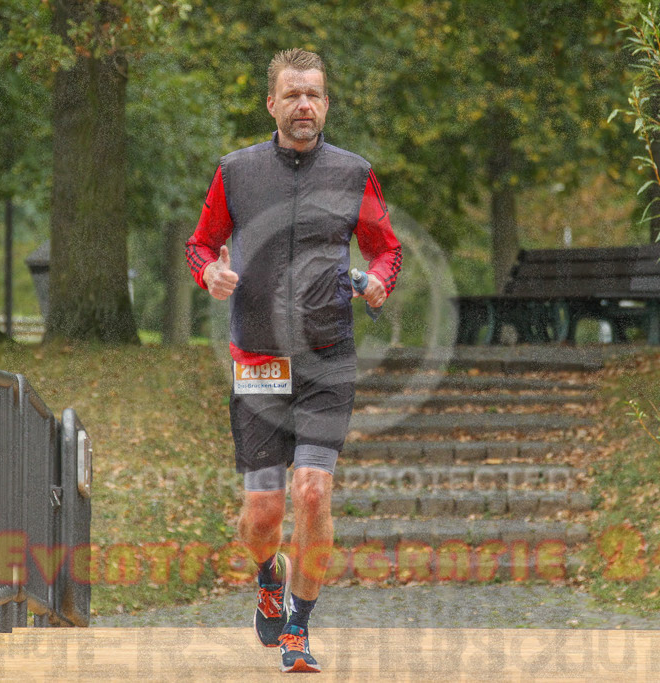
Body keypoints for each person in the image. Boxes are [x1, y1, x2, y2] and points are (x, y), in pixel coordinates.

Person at [185, 48, 402, 673]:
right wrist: (211, 274)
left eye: (313, 95)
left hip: (327, 358)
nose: (303, 105)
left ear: (326, 104)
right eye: (292, 94)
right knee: (263, 511)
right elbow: (201, 245)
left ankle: (298, 628)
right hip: (258, 357)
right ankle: (267, 576)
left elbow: (386, 249)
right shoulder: (236, 172)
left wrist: (380, 281)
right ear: (272, 104)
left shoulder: (354, 173)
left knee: (311, 491)